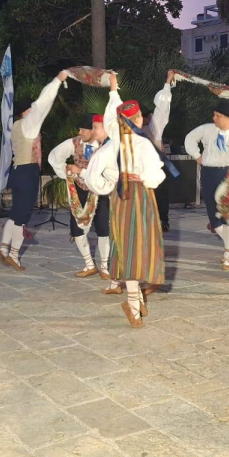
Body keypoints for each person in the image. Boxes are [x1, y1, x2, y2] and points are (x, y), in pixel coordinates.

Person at [99, 72, 166, 326]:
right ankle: (133, 303)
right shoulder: (142, 143)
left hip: (121, 195)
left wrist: (113, 90)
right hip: (140, 196)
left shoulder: (115, 140)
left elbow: (109, 120)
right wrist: (147, 181)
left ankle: (135, 297)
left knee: (127, 244)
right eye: (140, 116)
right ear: (137, 119)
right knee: (139, 245)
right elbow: (156, 175)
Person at [0, 71, 68, 272]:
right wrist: (57, 81)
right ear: (26, 111)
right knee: (22, 216)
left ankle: (4, 248)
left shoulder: (15, 126)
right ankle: (13, 255)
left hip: (17, 170)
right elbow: (42, 104)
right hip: (28, 171)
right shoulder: (28, 123)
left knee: (16, 211)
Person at [183, 97, 229, 270]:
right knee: (214, 218)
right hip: (209, 173)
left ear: (227, 117)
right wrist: (197, 156)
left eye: (217, 115)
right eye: (214, 115)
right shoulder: (207, 129)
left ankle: (228, 255)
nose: (214, 118)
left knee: (228, 216)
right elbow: (190, 138)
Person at [48, 113, 109, 280]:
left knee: (104, 228)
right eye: (80, 128)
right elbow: (54, 156)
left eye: (84, 129)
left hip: (100, 190)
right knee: (77, 228)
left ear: (95, 130)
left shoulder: (106, 144)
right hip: (80, 190)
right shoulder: (74, 143)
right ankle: (89, 264)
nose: (80, 132)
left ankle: (105, 267)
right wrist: (67, 174)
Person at [140, 72, 175, 232]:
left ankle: (163, 220)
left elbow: (162, 109)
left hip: (156, 166)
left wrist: (167, 82)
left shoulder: (154, 125)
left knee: (161, 194)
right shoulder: (128, 129)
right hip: (138, 169)